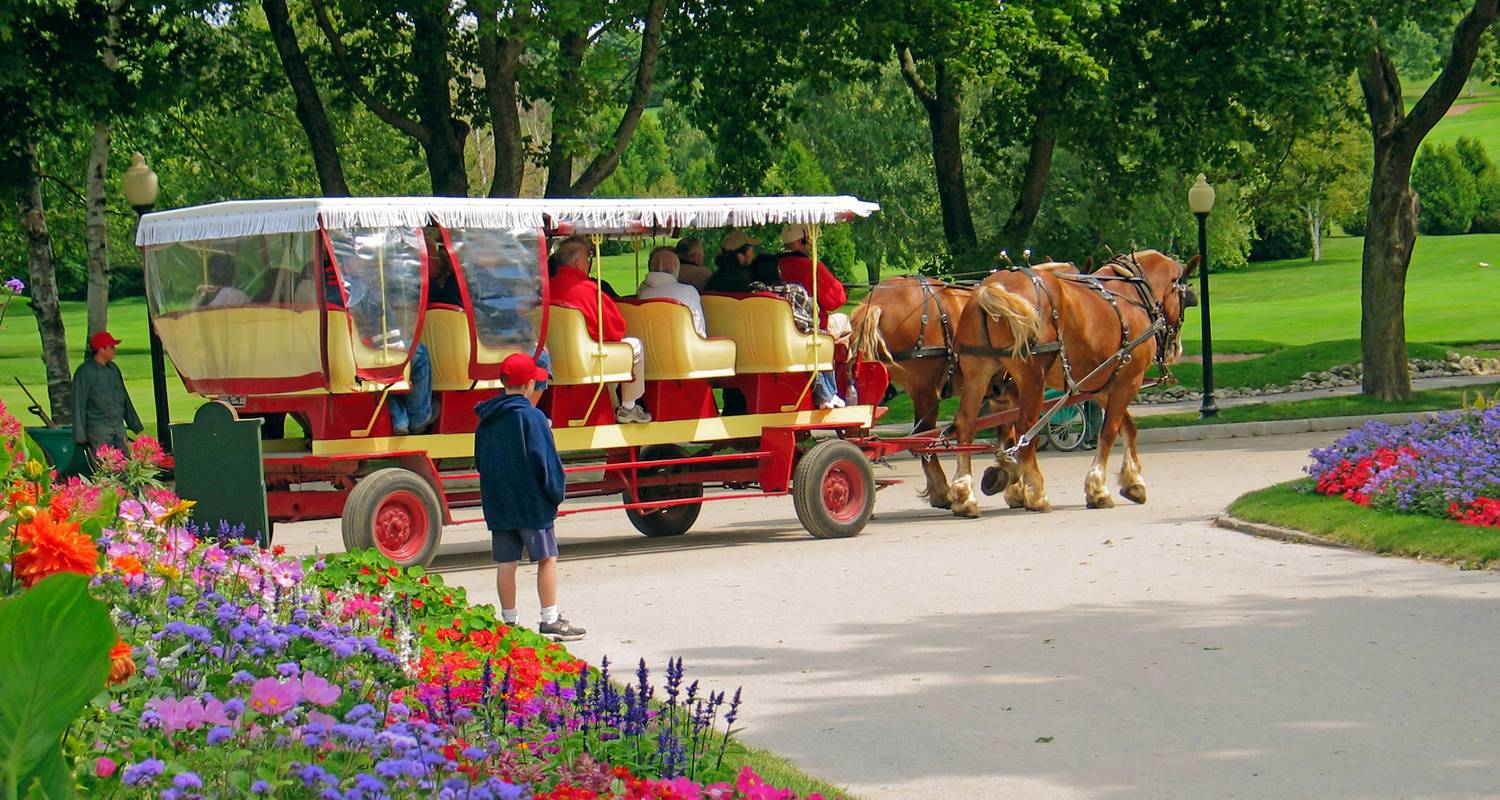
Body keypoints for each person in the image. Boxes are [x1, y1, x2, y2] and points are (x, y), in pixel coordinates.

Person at [474, 352, 585, 642]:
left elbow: (480, 460)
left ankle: (508, 622)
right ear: (529, 384)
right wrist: (555, 494)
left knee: (506, 562)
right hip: (531, 502)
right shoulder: (532, 417)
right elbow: (545, 462)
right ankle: (550, 619)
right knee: (547, 558)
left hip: (499, 503)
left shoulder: (486, 418)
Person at [549, 235, 650, 423]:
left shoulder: (548, 289)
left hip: (555, 361)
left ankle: (615, 404)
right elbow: (616, 330)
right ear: (578, 263)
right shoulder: (588, 290)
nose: (589, 264)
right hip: (586, 359)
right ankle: (629, 407)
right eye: (588, 259)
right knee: (633, 345)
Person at [747, 255, 844, 409]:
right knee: (821, 338)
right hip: (790, 344)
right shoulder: (794, 290)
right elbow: (814, 315)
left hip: (759, 344)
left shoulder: (751, 294)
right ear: (777, 271)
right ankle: (828, 395)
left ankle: (829, 395)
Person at [71, 331, 143, 469]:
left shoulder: (113, 369)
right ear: (101, 349)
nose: (114, 350)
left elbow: (124, 397)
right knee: (104, 465)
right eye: (111, 346)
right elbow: (78, 403)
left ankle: (128, 490)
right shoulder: (85, 372)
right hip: (98, 428)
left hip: (118, 425)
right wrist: (79, 434)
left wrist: (134, 424)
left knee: (125, 462)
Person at [776, 224, 847, 327]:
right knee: (844, 320)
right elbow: (836, 300)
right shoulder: (811, 267)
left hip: (780, 326)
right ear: (802, 241)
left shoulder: (772, 266)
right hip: (811, 327)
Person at [637, 246, 707, 336]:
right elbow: (699, 331)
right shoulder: (689, 291)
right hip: (684, 347)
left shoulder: (644, 294)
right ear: (676, 268)